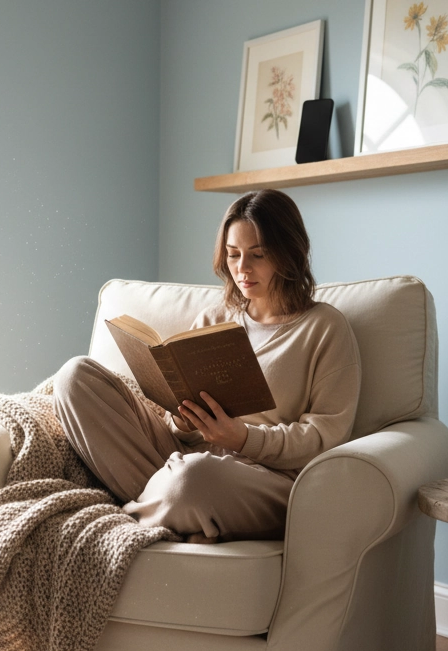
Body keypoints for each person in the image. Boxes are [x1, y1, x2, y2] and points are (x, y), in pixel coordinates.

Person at [53, 189, 361, 542]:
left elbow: (325, 435)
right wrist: (183, 419)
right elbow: (181, 429)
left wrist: (244, 438)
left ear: (288, 254)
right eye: (233, 255)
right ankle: (178, 510)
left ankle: (142, 512)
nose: (242, 269)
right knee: (75, 377)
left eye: (257, 255)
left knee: (192, 478)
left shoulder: (324, 328)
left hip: (264, 478)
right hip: (184, 459)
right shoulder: (215, 317)